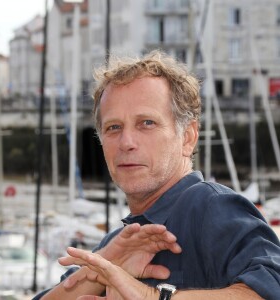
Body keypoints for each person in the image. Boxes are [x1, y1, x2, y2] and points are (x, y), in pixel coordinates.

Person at [36, 50, 280, 299]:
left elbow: (273, 285)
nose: (126, 142)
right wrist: (106, 263)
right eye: (114, 127)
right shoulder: (119, 242)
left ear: (188, 137)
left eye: (147, 123)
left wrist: (152, 297)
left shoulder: (210, 207)